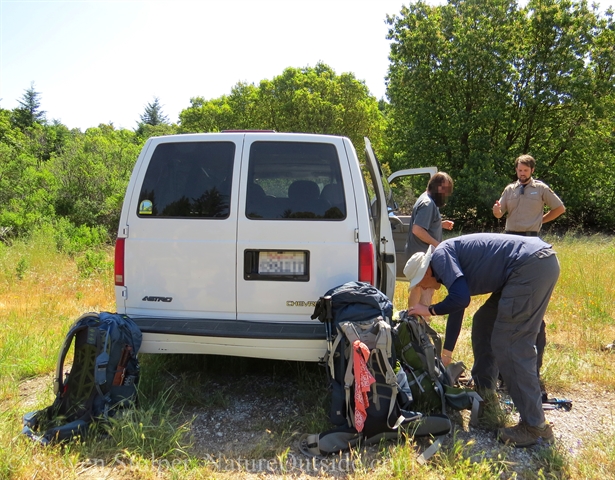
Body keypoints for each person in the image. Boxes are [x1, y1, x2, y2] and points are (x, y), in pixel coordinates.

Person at [403, 233, 560, 447]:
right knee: (484, 322)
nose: (422, 288)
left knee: (511, 343)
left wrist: (429, 309)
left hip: (530, 265)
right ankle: (486, 391)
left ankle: (535, 426)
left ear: (426, 270)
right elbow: (458, 304)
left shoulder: (440, 257)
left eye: (420, 283)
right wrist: (447, 353)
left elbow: (460, 298)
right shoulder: (444, 262)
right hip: (528, 265)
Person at [493, 154, 565, 390]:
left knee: (529, 300)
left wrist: (541, 220)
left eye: (525, 170)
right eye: (519, 170)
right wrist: (496, 210)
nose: (522, 173)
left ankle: (531, 361)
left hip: (532, 242)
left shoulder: (540, 188)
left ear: (532, 170)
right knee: (505, 293)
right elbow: (499, 214)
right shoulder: (510, 189)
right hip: (510, 240)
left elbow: (559, 208)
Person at [403, 172, 454, 311]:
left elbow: (424, 223)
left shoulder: (427, 199)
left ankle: (415, 324)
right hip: (422, 258)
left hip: (420, 254)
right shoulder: (427, 204)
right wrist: (438, 245)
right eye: (444, 189)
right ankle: (419, 326)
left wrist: (440, 224)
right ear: (436, 187)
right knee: (424, 290)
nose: (446, 194)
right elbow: (417, 229)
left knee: (420, 289)